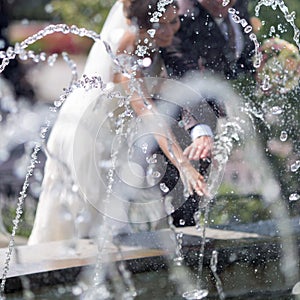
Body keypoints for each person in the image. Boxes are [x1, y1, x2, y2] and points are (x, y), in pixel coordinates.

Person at [28, 0, 210, 244]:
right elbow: (148, 112)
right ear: (139, 24)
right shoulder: (125, 48)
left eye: (173, 21)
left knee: (114, 228)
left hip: (114, 137)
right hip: (87, 136)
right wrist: (183, 165)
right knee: (86, 226)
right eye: (159, 25)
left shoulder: (157, 41)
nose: (168, 31)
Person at [160, 0, 256, 226]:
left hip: (211, 109)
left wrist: (261, 65)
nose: (224, 3)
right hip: (174, 116)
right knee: (178, 197)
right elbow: (187, 76)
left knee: (198, 196)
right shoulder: (179, 18)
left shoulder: (236, 4)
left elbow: (237, 53)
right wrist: (201, 130)